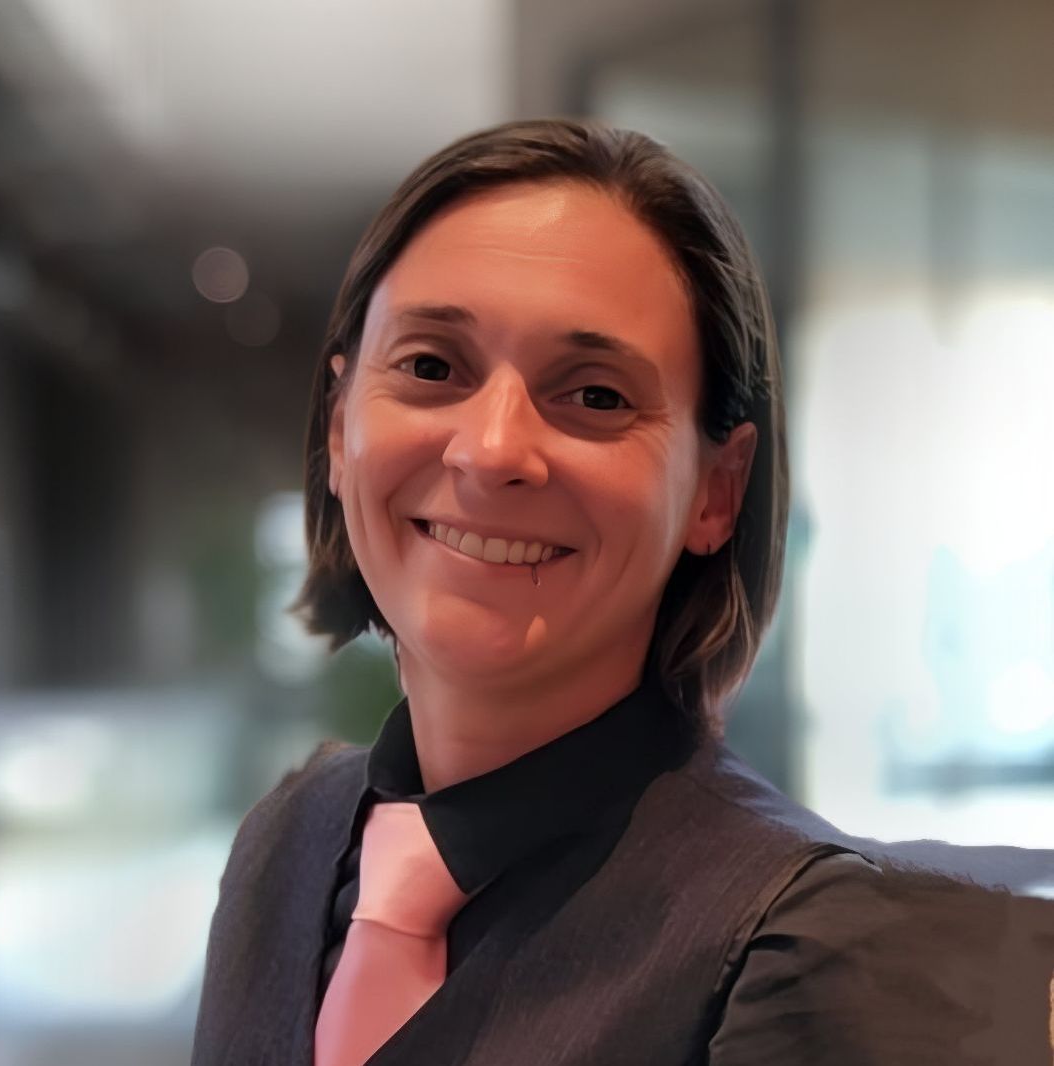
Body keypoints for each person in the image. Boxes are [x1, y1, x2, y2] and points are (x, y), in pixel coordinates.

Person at [191, 118, 1054, 1066]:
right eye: (432, 366)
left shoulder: (819, 953)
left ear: (717, 491)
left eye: (595, 394)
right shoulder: (284, 845)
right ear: (338, 428)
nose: (491, 450)